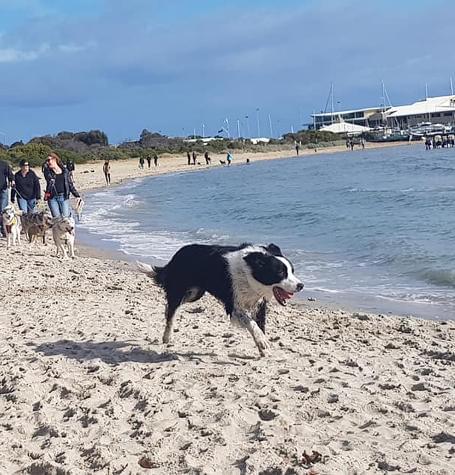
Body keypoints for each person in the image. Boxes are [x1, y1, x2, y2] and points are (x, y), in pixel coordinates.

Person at [44, 152, 81, 218]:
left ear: (54, 159)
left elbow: (70, 184)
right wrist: (51, 168)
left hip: (63, 197)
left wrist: (77, 195)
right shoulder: (48, 172)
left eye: (49, 160)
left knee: (66, 219)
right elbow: (47, 176)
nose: (47, 162)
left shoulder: (65, 171)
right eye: (47, 161)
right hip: (52, 198)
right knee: (57, 220)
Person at [0, 159, 14, 236]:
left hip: (3, 190)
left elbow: (10, 174)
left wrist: (12, 180)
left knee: (3, 210)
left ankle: (4, 229)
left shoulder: (4, 164)